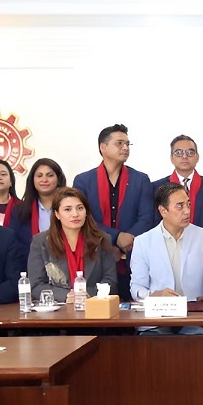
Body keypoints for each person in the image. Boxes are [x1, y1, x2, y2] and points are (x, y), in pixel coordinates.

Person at [130, 182, 203, 335]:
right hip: (157, 317)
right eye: (180, 206)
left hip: (193, 315)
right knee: (153, 340)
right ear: (163, 211)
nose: (187, 211)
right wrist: (154, 295)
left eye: (188, 204)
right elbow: (136, 288)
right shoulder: (143, 242)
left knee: (199, 339)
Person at [72, 125, 155, 298]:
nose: (125, 148)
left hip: (132, 254)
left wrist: (127, 239)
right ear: (103, 147)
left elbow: (147, 217)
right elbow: (84, 218)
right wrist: (115, 238)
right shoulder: (83, 181)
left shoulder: (140, 179)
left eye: (127, 144)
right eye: (119, 143)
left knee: (132, 306)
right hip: (95, 253)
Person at [27, 186, 118, 302]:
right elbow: (35, 285)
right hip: (58, 307)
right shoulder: (41, 242)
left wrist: (88, 294)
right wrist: (66, 296)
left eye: (80, 208)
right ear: (57, 214)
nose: (75, 214)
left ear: (86, 212)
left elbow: (111, 281)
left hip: (92, 305)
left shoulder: (102, 239)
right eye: (68, 209)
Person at [152, 135, 203, 243]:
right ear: (171, 158)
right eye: (178, 152)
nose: (184, 156)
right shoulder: (156, 187)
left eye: (190, 152)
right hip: (167, 245)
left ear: (197, 157)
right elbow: (153, 222)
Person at [10, 158, 66, 252]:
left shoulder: (70, 208)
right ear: (32, 180)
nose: (44, 180)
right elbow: (13, 244)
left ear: (58, 179)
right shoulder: (19, 210)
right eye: (39, 176)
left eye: (50, 175)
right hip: (30, 259)